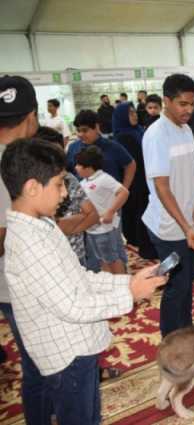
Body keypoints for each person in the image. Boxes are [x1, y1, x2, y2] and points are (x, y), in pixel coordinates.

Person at [0, 137, 165, 425]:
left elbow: (79, 277)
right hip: (68, 356)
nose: (65, 194)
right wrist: (131, 295)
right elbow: (72, 305)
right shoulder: (29, 243)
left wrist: (126, 282)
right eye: (59, 184)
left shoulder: (42, 225)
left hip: (77, 348)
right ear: (32, 188)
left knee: (90, 415)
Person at [142, 73, 194, 337]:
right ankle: (172, 341)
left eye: (192, 104)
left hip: (187, 223)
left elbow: (193, 171)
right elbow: (162, 187)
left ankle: (186, 333)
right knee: (176, 285)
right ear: (166, 101)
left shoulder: (187, 128)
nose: (188, 110)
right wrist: (185, 227)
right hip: (168, 227)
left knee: (188, 280)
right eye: (182, 104)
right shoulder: (157, 135)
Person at [0, 75, 47, 425]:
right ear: (31, 115)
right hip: (20, 287)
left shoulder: (16, 156)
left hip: (14, 285)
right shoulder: (11, 164)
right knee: (41, 365)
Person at [67, 109, 135, 271]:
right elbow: (68, 171)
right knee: (92, 247)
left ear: (96, 127)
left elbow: (130, 164)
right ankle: (99, 279)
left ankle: (120, 280)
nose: (81, 134)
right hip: (85, 207)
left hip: (110, 207)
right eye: (78, 131)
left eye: (85, 130)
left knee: (113, 246)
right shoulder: (74, 147)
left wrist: (123, 188)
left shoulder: (111, 146)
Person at [37, 126, 99, 267]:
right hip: (49, 263)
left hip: (77, 257)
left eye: (59, 153)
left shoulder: (69, 179)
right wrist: (78, 219)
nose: (56, 160)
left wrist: (60, 227)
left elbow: (94, 215)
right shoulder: (29, 186)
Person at [111, 102, 157, 259]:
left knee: (143, 211)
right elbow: (135, 160)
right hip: (137, 181)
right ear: (123, 117)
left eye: (134, 112)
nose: (135, 115)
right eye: (130, 113)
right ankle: (146, 247)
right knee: (141, 213)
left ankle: (142, 242)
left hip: (144, 178)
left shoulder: (137, 131)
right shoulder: (124, 136)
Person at [75, 146, 129, 274]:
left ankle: (121, 285)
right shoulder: (83, 182)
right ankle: (111, 284)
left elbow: (123, 192)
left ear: (88, 167)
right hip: (92, 229)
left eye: (78, 165)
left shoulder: (103, 179)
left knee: (112, 259)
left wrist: (110, 212)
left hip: (105, 229)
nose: (76, 167)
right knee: (103, 259)